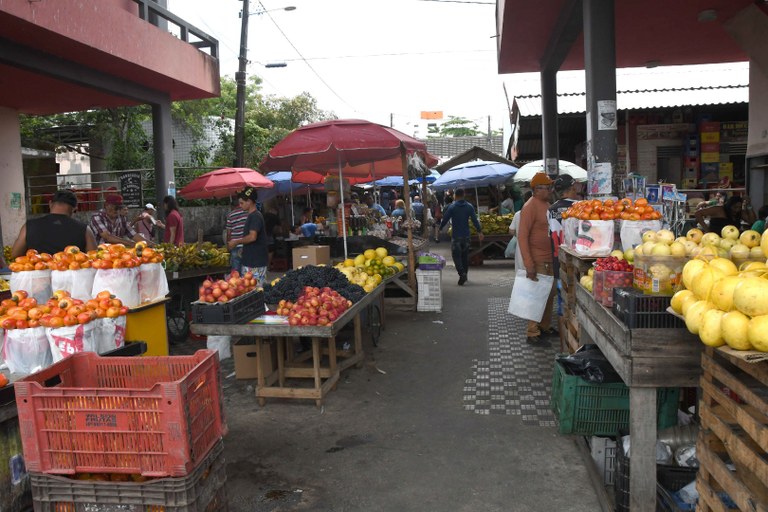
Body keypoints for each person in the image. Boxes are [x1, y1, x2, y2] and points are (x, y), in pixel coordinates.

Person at [517, 172, 557, 344]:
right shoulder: (530, 206)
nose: (550, 190)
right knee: (536, 297)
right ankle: (532, 333)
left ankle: (544, 326)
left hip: (549, 258)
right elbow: (522, 236)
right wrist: (529, 263)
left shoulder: (546, 204)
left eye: (550, 187)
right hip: (538, 259)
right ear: (537, 189)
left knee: (548, 295)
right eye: (547, 187)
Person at [11, 189, 97, 258]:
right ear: (75, 208)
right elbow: (93, 257)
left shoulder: (29, 226)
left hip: (38, 276)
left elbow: (15, 254)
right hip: (70, 277)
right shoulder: (85, 229)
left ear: (50, 204)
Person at [439, 189, 483, 286]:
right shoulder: (469, 207)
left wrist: (440, 228)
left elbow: (445, 219)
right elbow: (475, 220)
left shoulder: (452, 207)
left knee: (456, 256)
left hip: (456, 236)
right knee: (464, 256)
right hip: (466, 236)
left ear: (455, 195)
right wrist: (479, 231)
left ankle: (462, 273)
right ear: (463, 195)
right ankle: (465, 275)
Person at [227, 187, 268, 286]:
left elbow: (252, 237)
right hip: (251, 260)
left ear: (249, 201)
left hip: (255, 263)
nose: (240, 206)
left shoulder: (255, 216)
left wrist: (236, 242)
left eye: (242, 203)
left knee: (255, 292)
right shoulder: (252, 216)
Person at [226, 198, 248, 274]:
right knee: (246, 268)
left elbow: (229, 233)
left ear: (232, 206)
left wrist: (228, 244)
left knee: (236, 270)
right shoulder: (247, 213)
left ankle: (237, 283)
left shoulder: (230, 215)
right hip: (246, 244)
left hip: (235, 244)